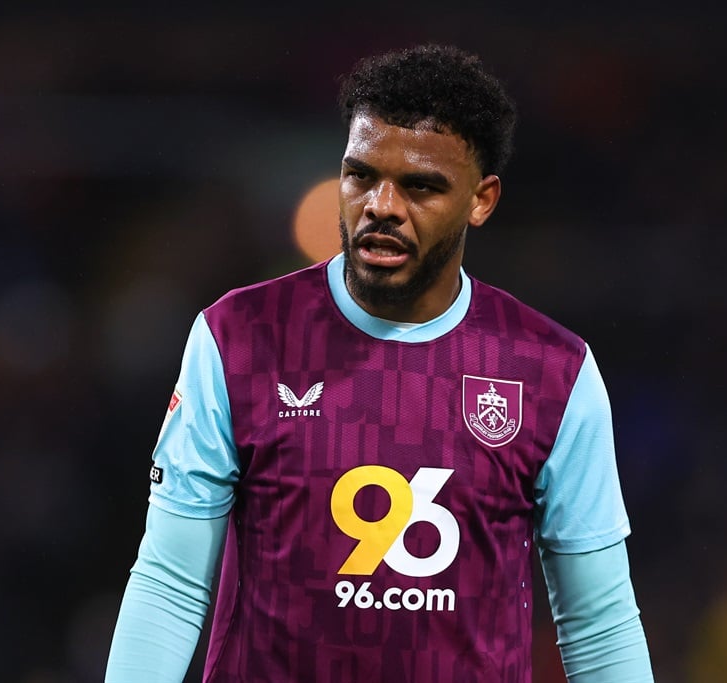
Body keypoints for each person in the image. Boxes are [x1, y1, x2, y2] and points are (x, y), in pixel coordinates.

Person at [105, 44, 654, 683]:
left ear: (482, 199)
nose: (381, 205)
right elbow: (171, 584)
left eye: (421, 186)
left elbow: (598, 621)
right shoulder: (239, 338)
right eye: (361, 174)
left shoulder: (552, 371)